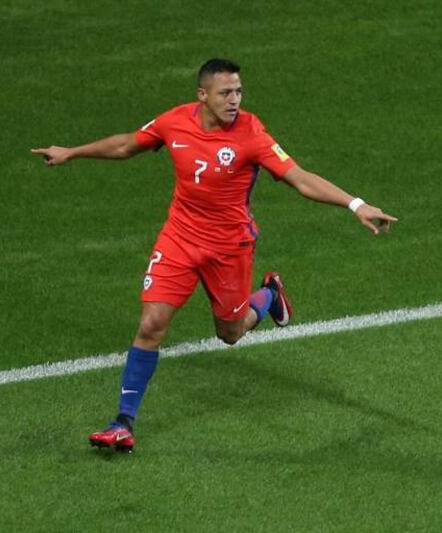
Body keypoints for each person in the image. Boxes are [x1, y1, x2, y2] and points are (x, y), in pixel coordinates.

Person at [31, 58, 397, 453]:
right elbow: (126, 145)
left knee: (230, 333)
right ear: (202, 95)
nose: (234, 100)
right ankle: (123, 422)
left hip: (229, 249)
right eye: (225, 93)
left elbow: (300, 178)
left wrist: (355, 204)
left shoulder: (252, 134)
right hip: (179, 239)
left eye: (238, 91)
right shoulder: (175, 122)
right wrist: (72, 152)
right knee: (151, 324)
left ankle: (270, 295)